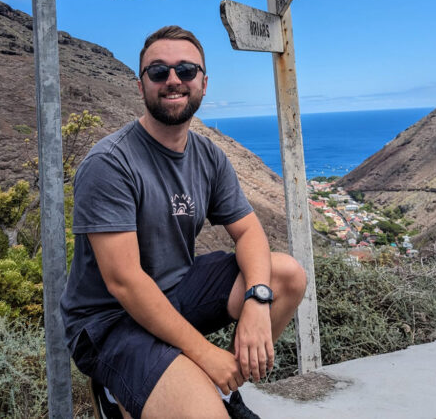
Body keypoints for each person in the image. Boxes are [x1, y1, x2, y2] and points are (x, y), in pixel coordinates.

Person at [60, 25, 306, 419]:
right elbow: (124, 281)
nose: (173, 79)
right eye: (158, 72)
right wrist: (206, 354)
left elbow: (249, 232)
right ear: (141, 86)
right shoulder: (110, 163)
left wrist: (258, 301)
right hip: (110, 322)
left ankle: (221, 390)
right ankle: (121, 390)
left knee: (286, 276)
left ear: (204, 84)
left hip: (177, 290)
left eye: (186, 70)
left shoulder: (208, 155)